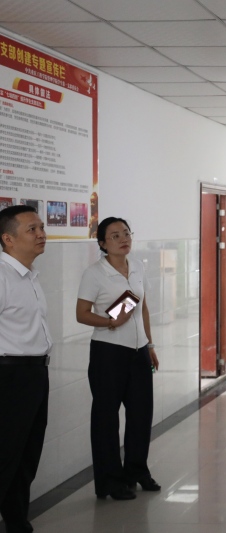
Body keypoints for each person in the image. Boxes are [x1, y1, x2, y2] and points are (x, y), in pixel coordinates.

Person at [76, 217, 160, 501]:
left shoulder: (136, 266)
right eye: (115, 236)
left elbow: (143, 308)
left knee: (141, 415)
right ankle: (110, 481)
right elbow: (81, 314)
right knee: (106, 419)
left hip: (139, 351)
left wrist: (150, 345)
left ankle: (136, 471)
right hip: (108, 352)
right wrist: (109, 322)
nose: (123, 239)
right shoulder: (94, 273)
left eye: (126, 233)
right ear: (102, 243)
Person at [0, 205, 51, 533]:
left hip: (35, 373)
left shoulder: (30, 275)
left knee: (26, 455)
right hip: (9, 376)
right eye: (32, 229)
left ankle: (17, 522)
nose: (41, 234)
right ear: (8, 239)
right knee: (5, 455)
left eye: (41, 227)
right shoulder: (2, 276)